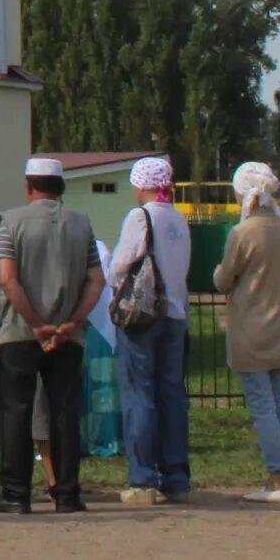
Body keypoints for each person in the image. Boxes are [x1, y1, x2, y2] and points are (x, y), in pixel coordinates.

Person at [0, 156, 104, 516]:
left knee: (16, 412)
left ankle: (16, 494)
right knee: (65, 411)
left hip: (20, 333)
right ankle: (67, 494)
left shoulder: (11, 221)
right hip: (68, 335)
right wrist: (73, 321)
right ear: (61, 187)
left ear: (28, 185)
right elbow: (96, 279)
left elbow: (7, 279)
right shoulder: (82, 224)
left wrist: (36, 324)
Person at [108, 155, 193, 506]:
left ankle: (143, 479)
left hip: (144, 315)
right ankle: (176, 476)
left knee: (139, 392)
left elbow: (120, 266)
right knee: (171, 393)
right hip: (175, 313)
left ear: (141, 184)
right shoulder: (179, 219)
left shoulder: (139, 217)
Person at [217, 160, 280, 504]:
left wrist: (218, 274)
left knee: (262, 405)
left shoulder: (242, 233)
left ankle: (276, 477)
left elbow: (224, 280)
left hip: (249, 328)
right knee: (279, 403)